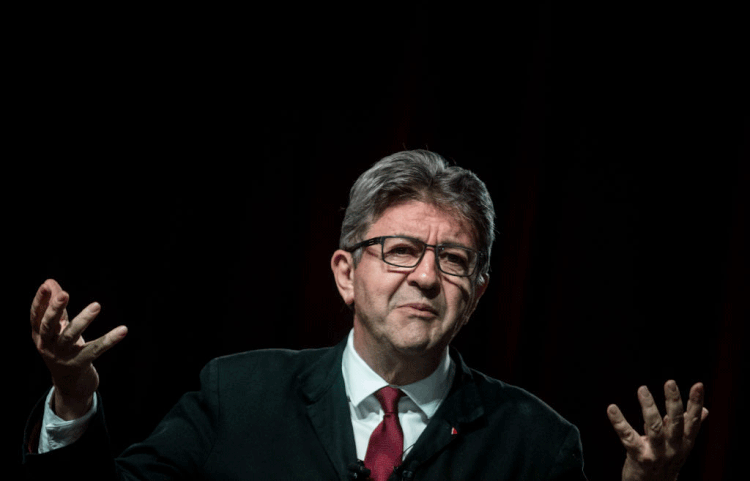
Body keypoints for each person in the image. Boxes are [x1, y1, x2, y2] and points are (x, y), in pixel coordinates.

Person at [23, 150, 708, 480]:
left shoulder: (537, 443)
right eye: (402, 250)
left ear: (478, 293)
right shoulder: (238, 395)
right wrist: (73, 396)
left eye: (455, 261)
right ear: (346, 273)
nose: (426, 277)